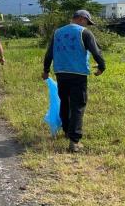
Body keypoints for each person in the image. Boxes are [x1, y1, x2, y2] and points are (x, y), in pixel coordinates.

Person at [42, 10, 106, 153]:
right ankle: (74, 141)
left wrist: (46, 70)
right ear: (82, 19)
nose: (88, 25)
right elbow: (96, 51)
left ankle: (66, 130)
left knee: (65, 102)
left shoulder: (57, 32)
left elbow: (49, 53)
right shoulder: (84, 33)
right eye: (87, 22)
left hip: (61, 73)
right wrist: (102, 66)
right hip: (78, 74)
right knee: (78, 105)